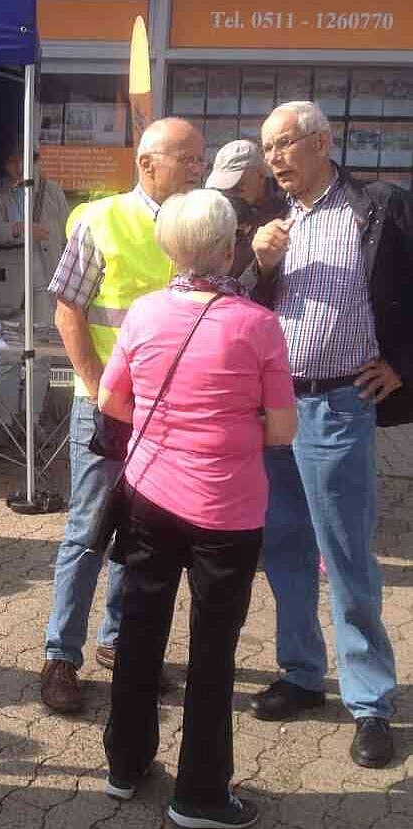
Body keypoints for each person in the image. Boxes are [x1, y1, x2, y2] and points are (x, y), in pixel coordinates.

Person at [99, 189, 297, 829]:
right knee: (214, 649)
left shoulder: (144, 313)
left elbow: (113, 402)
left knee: (139, 630)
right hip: (227, 508)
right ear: (230, 246)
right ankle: (202, 794)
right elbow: (283, 432)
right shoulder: (257, 324)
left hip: (149, 493)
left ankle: (125, 766)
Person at [247, 100, 412, 769]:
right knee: (283, 547)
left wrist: (403, 364)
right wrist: (257, 266)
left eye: (283, 145)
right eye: (266, 149)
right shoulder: (268, 222)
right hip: (276, 409)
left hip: (341, 403)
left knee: (345, 555)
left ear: (321, 141)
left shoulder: (379, 208)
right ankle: (302, 672)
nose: (274, 159)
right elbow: (247, 313)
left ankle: (370, 701)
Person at [40, 117, 206, 714]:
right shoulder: (101, 219)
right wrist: (97, 392)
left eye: (200, 159)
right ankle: (61, 655)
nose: (198, 169)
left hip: (173, 417)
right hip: (110, 409)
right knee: (87, 533)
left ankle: (122, 645)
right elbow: (68, 312)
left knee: (145, 539)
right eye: (187, 159)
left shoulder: (200, 223)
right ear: (148, 165)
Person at [0, 145, 67, 441]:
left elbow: (64, 232)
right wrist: (24, 228)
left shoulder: (52, 190)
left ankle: (34, 421)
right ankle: (5, 422)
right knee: (10, 354)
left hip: (46, 278)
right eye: (11, 160)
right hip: (10, 282)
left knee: (41, 354)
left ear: (36, 160)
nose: (17, 166)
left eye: (23, 160)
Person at [203, 139, 286, 281]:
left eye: (237, 186)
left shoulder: (286, 210)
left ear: (261, 174)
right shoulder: (219, 212)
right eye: (223, 188)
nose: (230, 194)